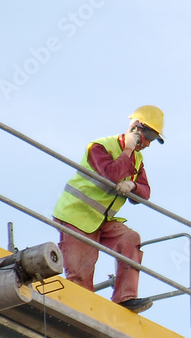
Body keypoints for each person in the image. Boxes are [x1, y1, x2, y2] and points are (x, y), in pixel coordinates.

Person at [52, 106, 165, 314]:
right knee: (81, 274)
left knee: (130, 239)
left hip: (101, 219)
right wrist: (128, 150)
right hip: (76, 215)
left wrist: (133, 186)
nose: (148, 144)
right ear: (135, 129)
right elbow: (111, 175)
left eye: (153, 139)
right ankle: (80, 312)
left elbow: (145, 192)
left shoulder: (137, 160)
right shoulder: (100, 147)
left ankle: (125, 299)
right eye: (147, 136)